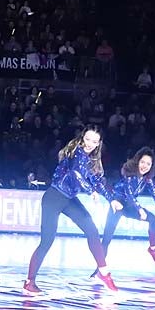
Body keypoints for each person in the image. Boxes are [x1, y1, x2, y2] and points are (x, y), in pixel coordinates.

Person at [24, 125, 123, 295]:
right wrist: (90, 190)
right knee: (47, 242)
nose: (90, 144)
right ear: (82, 138)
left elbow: (98, 181)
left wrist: (111, 199)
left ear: (99, 143)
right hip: (54, 197)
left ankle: (104, 273)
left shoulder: (92, 160)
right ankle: (29, 281)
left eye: (95, 141)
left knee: (92, 230)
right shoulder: (77, 153)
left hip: (70, 199)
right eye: (88, 139)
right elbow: (74, 174)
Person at [97, 147, 155, 270]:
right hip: (118, 204)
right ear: (137, 162)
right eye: (143, 162)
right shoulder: (129, 174)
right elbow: (129, 194)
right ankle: (98, 270)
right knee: (106, 239)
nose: (145, 166)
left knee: (153, 219)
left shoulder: (148, 180)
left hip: (130, 206)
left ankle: (152, 249)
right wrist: (139, 209)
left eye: (148, 164)